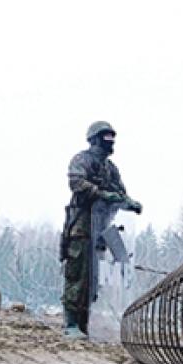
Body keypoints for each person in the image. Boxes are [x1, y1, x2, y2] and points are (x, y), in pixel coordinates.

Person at [60, 121, 142, 339]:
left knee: (93, 281)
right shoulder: (82, 159)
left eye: (112, 138)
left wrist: (129, 203)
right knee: (78, 276)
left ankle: (85, 325)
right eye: (106, 137)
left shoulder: (111, 168)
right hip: (82, 228)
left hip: (101, 231)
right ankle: (71, 324)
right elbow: (77, 183)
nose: (110, 142)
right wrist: (103, 195)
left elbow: (120, 192)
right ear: (94, 139)